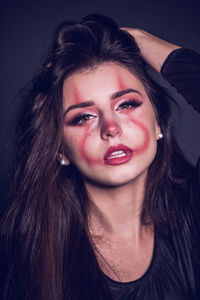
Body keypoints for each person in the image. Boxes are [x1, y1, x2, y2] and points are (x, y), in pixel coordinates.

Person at [0, 14, 199, 300]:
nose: (111, 128)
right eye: (83, 117)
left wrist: (138, 40)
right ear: (59, 150)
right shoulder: (30, 258)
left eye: (126, 104)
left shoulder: (192, 211)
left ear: (158, 124)